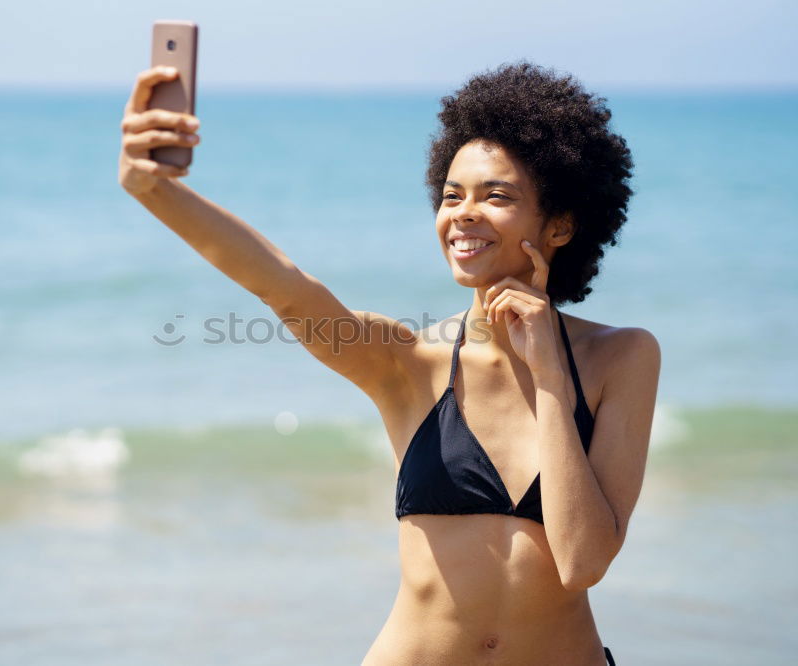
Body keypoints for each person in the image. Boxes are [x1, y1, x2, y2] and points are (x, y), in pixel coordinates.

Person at [118, 59, 660, 666]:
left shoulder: (623, 356)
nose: (464, 213)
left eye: (496, 195)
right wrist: (156, 190)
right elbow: (283, 286)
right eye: (452, 195)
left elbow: (583, 562)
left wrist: (552, 377)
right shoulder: (407, 362)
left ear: (560, 225)